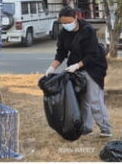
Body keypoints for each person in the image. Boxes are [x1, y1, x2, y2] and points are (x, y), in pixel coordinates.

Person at [47, 7, 111, 138]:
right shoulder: (64, 33)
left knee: (94, 99)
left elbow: (92, 54)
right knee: (82, 99)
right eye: (63, 23)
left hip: (94, 67)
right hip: (76, 67)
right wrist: (52, 67)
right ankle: (86, 128)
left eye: (68, 22)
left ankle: (105, 129)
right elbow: (61, 52)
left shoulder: (87, 30)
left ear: (75, 18)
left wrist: (77, 65)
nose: (65, 25)